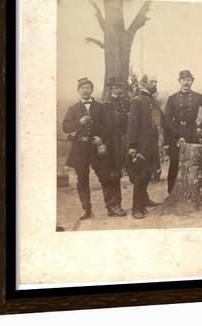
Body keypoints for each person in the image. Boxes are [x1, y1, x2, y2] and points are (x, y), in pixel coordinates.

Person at [62, 77, 124, 220]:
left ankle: (111, 207)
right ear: (79, 91)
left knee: (105, 177)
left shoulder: (100, 107)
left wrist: (101, 138)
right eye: (83, 88)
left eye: (88, 88)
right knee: (82, 179)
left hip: (97, 148)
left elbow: (108, 126)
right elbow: (65, 127)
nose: (86, 90)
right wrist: (79, 122)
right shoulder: (73, 109)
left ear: (92, 90)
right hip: (80, 149)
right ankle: (86, 209)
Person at [127, 75, 178, 219]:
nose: (155, 84)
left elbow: (162, 122)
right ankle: (136, 208)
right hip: (141, 144)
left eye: (156, 81)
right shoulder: (137, 101)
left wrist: (177, 134)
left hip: (152, 144)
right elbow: (132, 124)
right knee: (140, 176)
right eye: (152, 81)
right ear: (144, 83)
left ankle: (144, 200)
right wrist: (132, 146)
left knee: (148, 173)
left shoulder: (152, 102)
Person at [164, 70, 202, 193]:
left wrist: (201, 126)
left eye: (189, 80)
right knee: (174, 163)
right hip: (176, 132)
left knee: (193, 163)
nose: (186, 82)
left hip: (192, 131)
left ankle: (193, 192)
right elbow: (167, 122)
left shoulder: (198, 97)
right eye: (184, 80)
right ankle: (171, 193)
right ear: (179, 81)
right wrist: (167, 142)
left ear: (192, 81)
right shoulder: (172, 98)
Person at [103, 77, 130, 216]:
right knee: (112, 173)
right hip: (111, 142)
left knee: (118, 172)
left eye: (120, 87)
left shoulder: (126, 103)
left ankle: (116, 204)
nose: (119, 90)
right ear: (111, 89)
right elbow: (107, 125)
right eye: (116, 87)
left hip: (123, 140)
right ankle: (112, 205)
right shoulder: (106, 105)